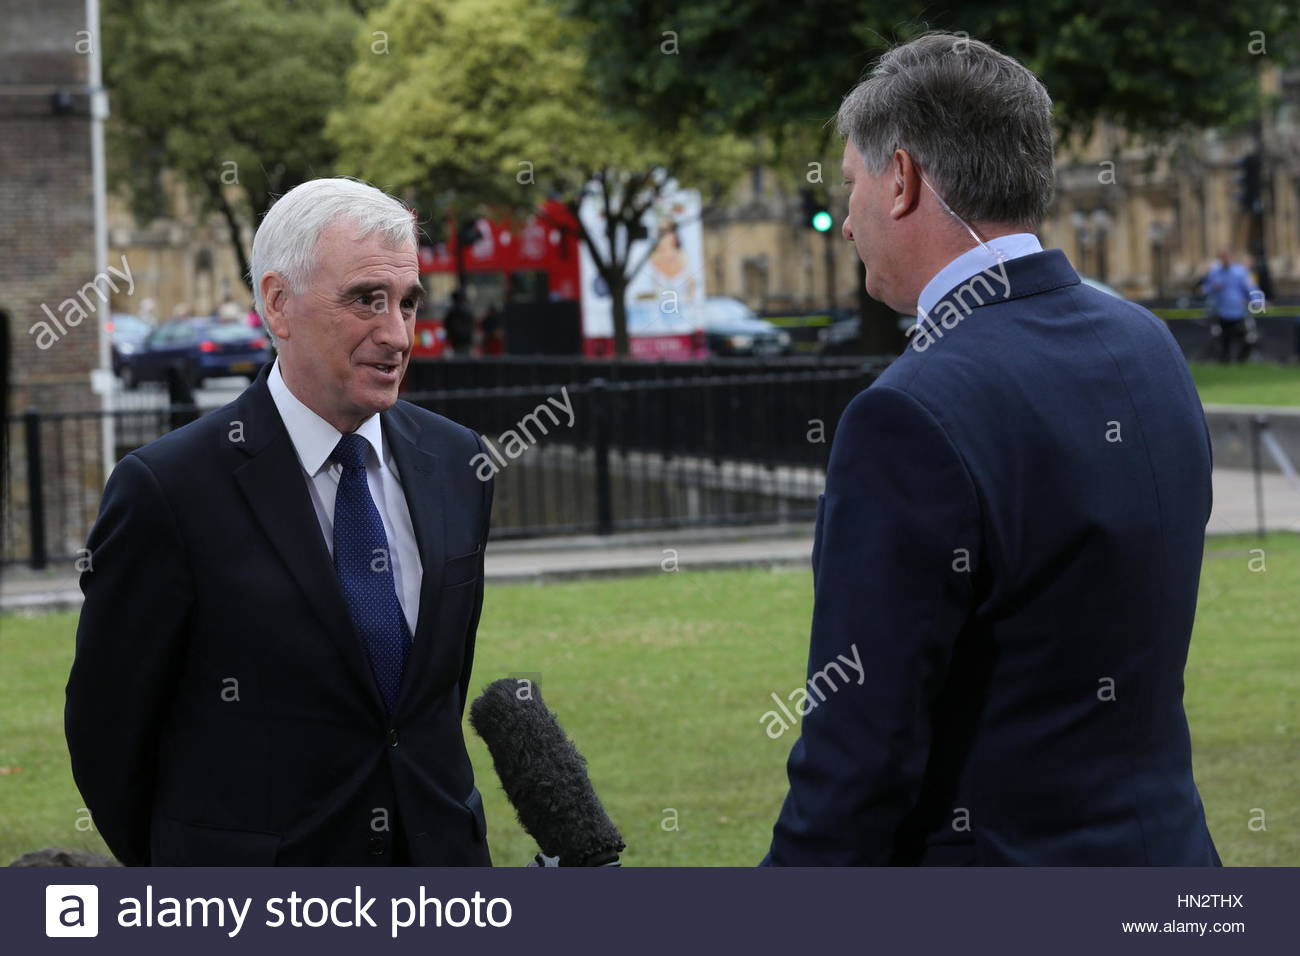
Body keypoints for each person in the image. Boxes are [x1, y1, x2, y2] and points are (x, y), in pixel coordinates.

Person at [762, 33, 1220, 866]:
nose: (847, 218)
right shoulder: (1148, 344)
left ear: (899, 180)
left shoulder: (907, 412)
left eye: (853, 182)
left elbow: (858, 760)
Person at [66, 178, 495, 866]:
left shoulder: (458, 461)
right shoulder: (168, 489)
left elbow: (431, 699)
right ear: (278, 303)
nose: (397, 334)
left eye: (408, 302)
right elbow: (108, 731)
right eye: (366, 300)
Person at [1200, 249, 1261, 363]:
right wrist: (1211, 288)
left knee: (1246, 338)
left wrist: (1257, 301)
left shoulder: (1241, 272)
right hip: (1221, 313)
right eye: (1223, 257)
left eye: (1227, 256)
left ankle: (1241, 361)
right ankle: (1225, 362)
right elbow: (1204, 289)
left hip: (1238, 312)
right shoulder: (1214, 272)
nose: (1225, 259)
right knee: (1223, 340)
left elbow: (1251, 288)